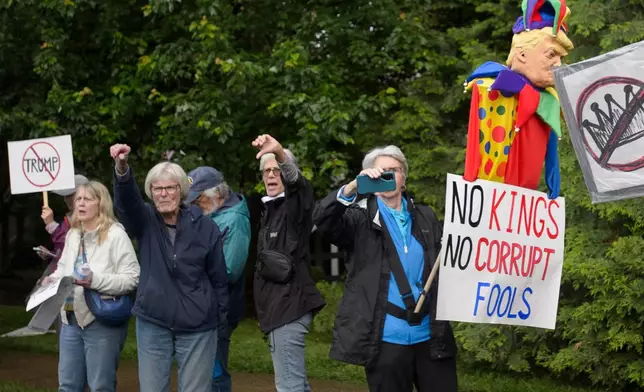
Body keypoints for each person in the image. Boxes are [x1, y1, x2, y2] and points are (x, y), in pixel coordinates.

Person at [312, 145, 458, 392]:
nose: (388, 175)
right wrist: (351, 188)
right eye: (381, 171)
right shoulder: (358, 221)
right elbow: (323, 219)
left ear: (404, 179)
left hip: (431, 338)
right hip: (386, 341)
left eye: (395, 170)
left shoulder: (426, 217)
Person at [110, 144, 228, 392]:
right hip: (154, 322)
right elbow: (127, 203)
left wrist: (218, 318)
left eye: (169, 188)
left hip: (198, 326)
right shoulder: (145, 221)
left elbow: (219, 279)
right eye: (157, 189)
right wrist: (122, 170)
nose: (163, 194)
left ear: (181, 191)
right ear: (151, 193)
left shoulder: (205, 227)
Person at [463, 0, 574, 199]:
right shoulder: (492, 86)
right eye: (551, 54)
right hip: (489, 203)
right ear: (522, 54)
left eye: (560, 58)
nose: (558, 64)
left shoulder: (549, 101)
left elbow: (548, 157)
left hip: (521, 211)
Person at [44, 180, 140, 392]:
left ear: (101, 203)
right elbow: (62, 268)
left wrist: (94, 281)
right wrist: (52, 279)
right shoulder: (73, 234)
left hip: (100, 319)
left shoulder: (116, 234)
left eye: (88, 199)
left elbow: (132, 278)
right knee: (67, 386)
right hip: (69, 318)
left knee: (101, 387)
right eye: (78, 199)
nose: (81, 203)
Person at [252, 134, 326, 392]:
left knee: (289, 387)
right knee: (296, 386)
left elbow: (300, 187)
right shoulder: (269, 210)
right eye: (266, 171)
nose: (271, 175)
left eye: (277, 170)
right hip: (278, 311)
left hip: (288, 310)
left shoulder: (294, 208)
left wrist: (281, 154)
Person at [185, 166, 251, 392]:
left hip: (221, 306)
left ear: (216, 194)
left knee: (214, 369)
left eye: (198, 198)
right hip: (204, 303)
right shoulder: (214, 212)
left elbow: (231, 270)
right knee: (201, 367)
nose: (194, 204)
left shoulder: (235, 219)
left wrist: (192, 267)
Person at [37, 174, 90, 275]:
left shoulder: (90, 219)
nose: (65, 199)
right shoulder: (69, 218)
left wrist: (52, 225)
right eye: (65, 195)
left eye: (70, 195)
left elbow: (75, 249)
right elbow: (64, 253)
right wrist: (50, 254)